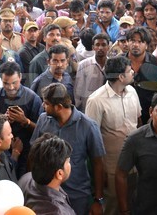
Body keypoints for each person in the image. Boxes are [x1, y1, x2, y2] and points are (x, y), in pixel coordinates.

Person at [31, 83, 106, 215]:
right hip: (47, 193)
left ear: (59, 107)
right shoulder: (43, 120)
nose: (43, 106)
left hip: (77, 195)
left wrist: (98, 199)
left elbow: (98, 164)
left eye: (46, 103)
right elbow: (34, 155)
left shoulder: (88, 126)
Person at [85, 56, 141, 215]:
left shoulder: (132, 92)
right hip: (111, 165)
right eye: (130, 71)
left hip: (135, 161)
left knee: (132, 201)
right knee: (113, 205)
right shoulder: (96, 100)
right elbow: (91, 139)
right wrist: (99, 171)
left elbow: (138, 121)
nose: (133, 72)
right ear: (121, 77)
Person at [0, 61, 41, 176]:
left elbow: (41, 131)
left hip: (27, 154)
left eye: (14, 83)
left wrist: (25, 121)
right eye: (6, 83)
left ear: (20, 77)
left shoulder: (33, 99)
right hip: (2, 153)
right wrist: (2, 120)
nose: (10, 87)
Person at [18, 134, 76, 215]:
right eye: (68, 162)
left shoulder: (25, 178)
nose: (70, 165)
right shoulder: (59, 212)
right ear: (59, 173)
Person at [74, 32, 110, 111]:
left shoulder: (112, 64)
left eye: (103, 45)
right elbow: (78, 89)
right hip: (88, 107)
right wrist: (78, 107)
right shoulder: (83, 65)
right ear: (93, 47)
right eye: (97, 45)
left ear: (108, 47)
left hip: (108, 106)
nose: (100, 48)